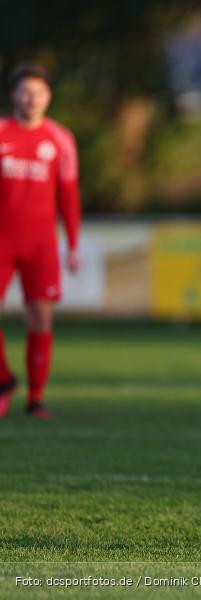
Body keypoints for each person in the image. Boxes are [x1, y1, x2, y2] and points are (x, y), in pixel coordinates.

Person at [0, 65, 81, 420]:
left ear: (48, 98)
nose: (31, 98)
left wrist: (73, 244)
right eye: (25, 91)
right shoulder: (1, 133)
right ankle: (4, 380)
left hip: (40, 243)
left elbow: (69, 195)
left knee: (40, 318)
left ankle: (35, 399)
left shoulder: (60, 140)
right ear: (14, 95)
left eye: (38, 92)